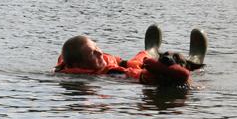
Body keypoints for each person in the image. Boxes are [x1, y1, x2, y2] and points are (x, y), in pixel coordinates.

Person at [54, 25, 206, 86]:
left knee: (138, 59)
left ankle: (151, 50)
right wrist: (154, 72)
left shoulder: (96, 59)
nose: (100, 52)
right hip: (126, 70)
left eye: (96, 47)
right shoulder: (107, 73)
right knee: (138, 64)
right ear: (77, 65)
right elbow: (137, 76)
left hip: (120, 63)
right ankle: (194, 61)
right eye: (93, 53)